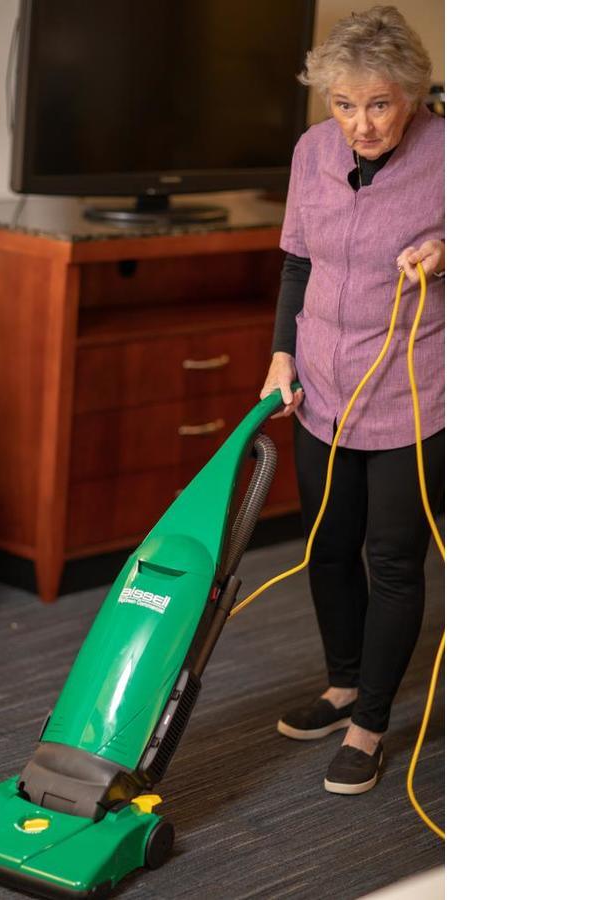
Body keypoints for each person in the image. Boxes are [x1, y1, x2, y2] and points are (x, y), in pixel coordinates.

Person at [260, 6, 445, 795]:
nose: (359, 125)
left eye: (378, 104)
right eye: (343, 104)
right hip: (323, 386)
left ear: (412, 95)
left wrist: (453, 251)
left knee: (393, 558)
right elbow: (297, 263)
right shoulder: (312, 152)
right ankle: (342, 685)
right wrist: (281, 355)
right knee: (328, 546)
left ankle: (370, 723)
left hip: (413, 387)